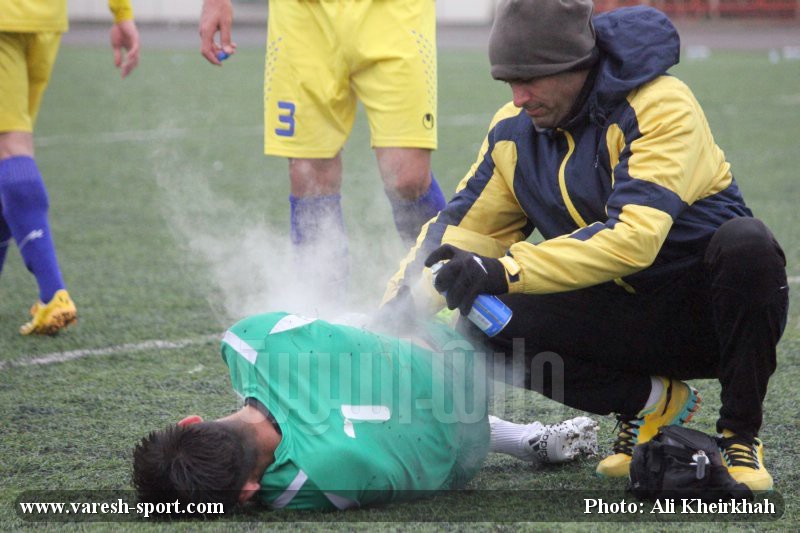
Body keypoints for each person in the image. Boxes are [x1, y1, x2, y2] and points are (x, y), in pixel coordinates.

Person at [381, 1, 789, 493]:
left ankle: (738, 434)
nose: (518, 97)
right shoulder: (512, 130)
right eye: (508, 82)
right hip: (620, 316)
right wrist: (393, 314)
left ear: (574, 65)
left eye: (528, 79)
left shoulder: (660, 104)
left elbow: (633, 239)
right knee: (483, 319)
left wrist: (505, 269)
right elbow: (462, 233)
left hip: (705, 320)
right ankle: (651, 403)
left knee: (749, 245)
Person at [133, 311, 598, 512]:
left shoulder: (303, 484)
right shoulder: (244, 341)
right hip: (445, 348)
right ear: (190, 420)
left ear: (245, 491)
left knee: (391, 426)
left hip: (463, 453)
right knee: (345, 334)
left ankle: (517, 438)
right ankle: (520, 435)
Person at [198, 0, 446, 298]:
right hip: (303, 16)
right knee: (308, 176)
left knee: (408, 177)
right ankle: (322, 308)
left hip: (395, 12)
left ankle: (446, 294)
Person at [0, 0, 140, 335]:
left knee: (9, 146)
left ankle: (53, 294)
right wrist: (122, 12)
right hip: (45, 20)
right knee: (9, 151)